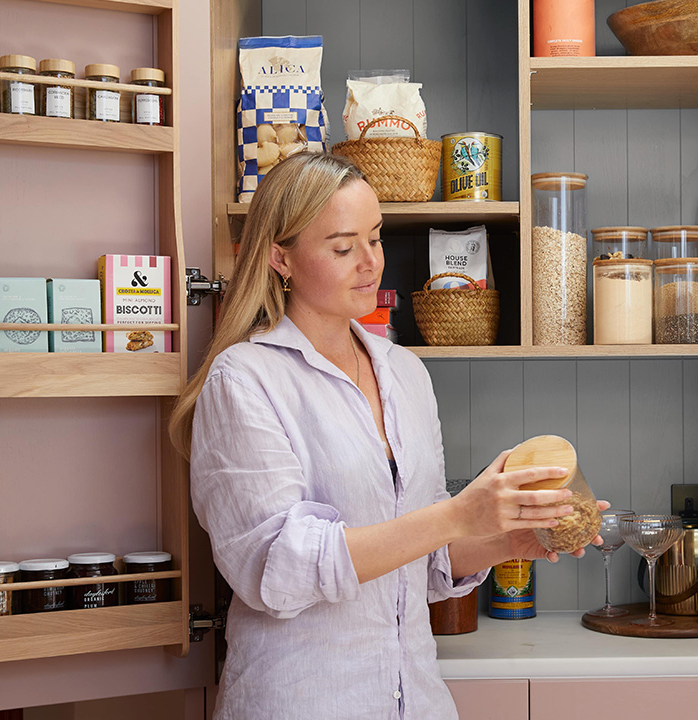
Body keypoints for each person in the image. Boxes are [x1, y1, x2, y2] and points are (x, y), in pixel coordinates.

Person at [169, 153, 605, 719]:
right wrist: (457, 514)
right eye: (343, 248)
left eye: (375, 239)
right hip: (302, 703)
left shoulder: (404, 373)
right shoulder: (245, 380)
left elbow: (418, 560)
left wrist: (504, 541)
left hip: (415, 702)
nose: (371, 263)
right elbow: (277, 570)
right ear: (282, 257)